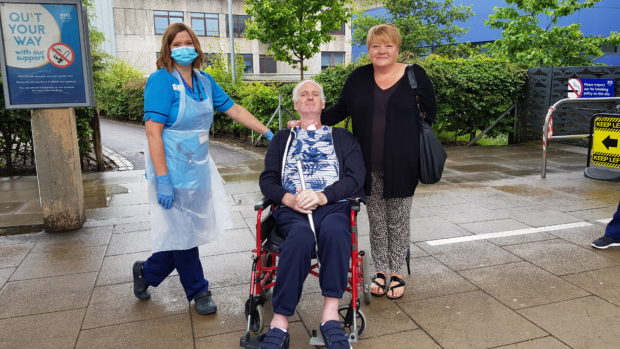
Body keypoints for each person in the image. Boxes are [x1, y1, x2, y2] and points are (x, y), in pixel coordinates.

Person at [132, 22, 274, 315]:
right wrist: (162, 178)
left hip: (197, 167)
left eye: (188, 43)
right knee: (183, 231)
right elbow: (152, 133)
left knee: (186, 230)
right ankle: (199, 290)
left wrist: (269, 133)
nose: (183, 48)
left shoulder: (205, 81)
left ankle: (148, 272)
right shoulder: (160, 81)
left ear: (196, 47)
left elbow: (233, 109)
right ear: (167, 50)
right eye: (176, 44)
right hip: (169, 166)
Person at [321, 24, 437, 300]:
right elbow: (339, 111)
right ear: (369, 49)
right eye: (376, 46)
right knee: (376, 219)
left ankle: (397, 271)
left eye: (388, 45)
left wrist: (404, 139)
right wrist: (309, 119)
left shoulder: (414, 75)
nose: (382, 51)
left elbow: (430, 112)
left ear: (397, 48)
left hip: (404, 163)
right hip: (366, 163)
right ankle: (381, 270)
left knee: (398, 218)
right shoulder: (358, 78)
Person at [258, 80, 365, 349]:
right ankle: (280, 322)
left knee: (335, 232)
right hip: (294, 209)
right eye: (303, 95)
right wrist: (289, 199)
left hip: (333, 205)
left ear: (323, 103)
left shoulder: (342, 137)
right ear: (295, 105)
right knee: (299, 239)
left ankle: (330, 317)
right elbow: (268, 179)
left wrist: (322, 196)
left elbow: (356, 177)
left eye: (315, 94)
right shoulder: (283, 138)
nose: (309, 98)